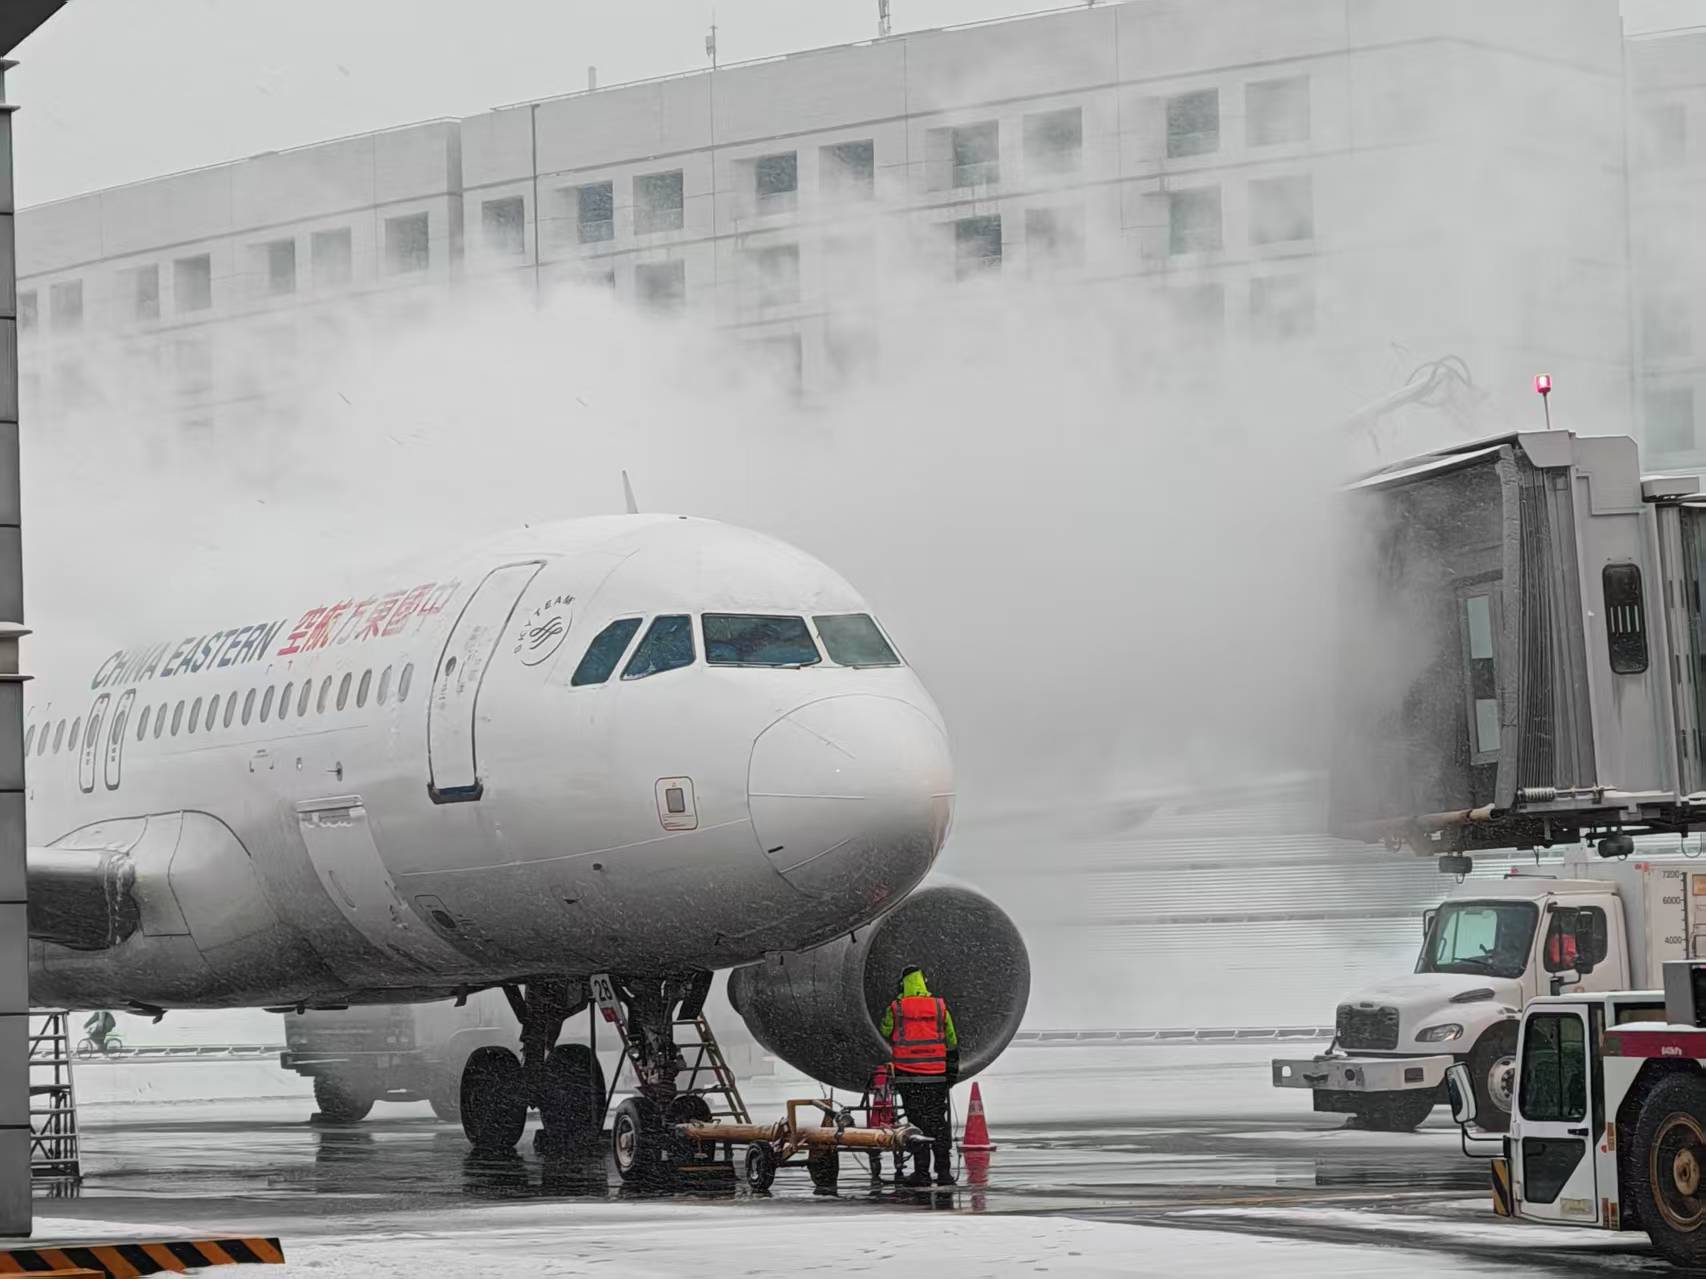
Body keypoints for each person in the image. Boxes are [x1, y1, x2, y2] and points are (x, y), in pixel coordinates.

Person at [879, 964, 959, 1186]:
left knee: (917, 1123)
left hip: (909, 1076)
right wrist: (951, 1071)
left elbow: (885, 1030)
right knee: (938, 1122)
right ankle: (944, 1173)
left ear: (902, 984)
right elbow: (952, 1040)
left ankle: (921, 1172)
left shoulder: (897, 1008)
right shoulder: (938, 1006)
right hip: (936, 1076)